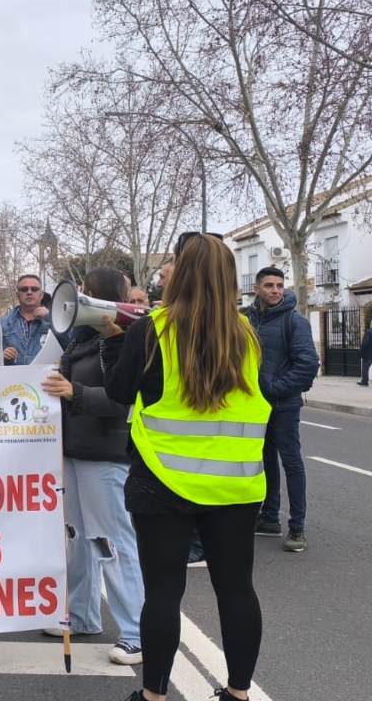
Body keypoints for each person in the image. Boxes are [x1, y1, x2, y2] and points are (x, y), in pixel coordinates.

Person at [104, 233, 271, 701]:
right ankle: (238, 693)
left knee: (163, 593)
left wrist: (113, 343)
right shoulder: (247, 336)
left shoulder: (153, 328)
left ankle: (154, 695)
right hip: (235, 486)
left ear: (182, 272)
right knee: (237, 589)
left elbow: (120, 393)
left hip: (161, 480)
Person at [39, 268, 143, 666]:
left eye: (86, 294)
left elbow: (123, 401)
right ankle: (81, 615)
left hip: (105, 456)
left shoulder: (123, 341)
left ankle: (135, 631)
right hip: (76, 452)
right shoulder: (83, 342)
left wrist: (74, 391)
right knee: (79, 540)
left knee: (112, 544)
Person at [245, 266, 318, 552]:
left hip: (284, 405)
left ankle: (297, 527)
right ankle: (269, 517)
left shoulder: (294, 321)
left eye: (279, 285)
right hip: (256, 407)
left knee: (291, 462)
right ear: (257, 289)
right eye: (269, 286)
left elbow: (308, 365)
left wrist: (274, 389)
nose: (275, 290)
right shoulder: (247, 320)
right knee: (265, 460)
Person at [0, 274, 52, 366]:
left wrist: (49, 317)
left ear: (41, 295)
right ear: (17, 295)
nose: (29, 292)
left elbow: (66, 346)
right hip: (12, 379)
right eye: (24, 289)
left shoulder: (56, 323)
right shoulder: (2, 324)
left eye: (34, 289)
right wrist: (2, 355)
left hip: (45, 378)